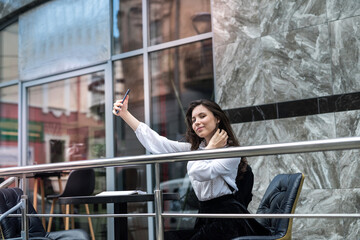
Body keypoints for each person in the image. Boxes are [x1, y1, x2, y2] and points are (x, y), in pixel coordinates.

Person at [113, 97, 270, 240]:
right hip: (206, 216)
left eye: (202, 116)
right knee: (167, 237)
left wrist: (211, 148)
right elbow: (159, 143)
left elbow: (197, 172)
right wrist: (125, 114)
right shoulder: (196, 149)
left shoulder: (230, 152)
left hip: (227, 219)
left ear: (217, 119)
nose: (197, 122)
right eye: (193, 119)